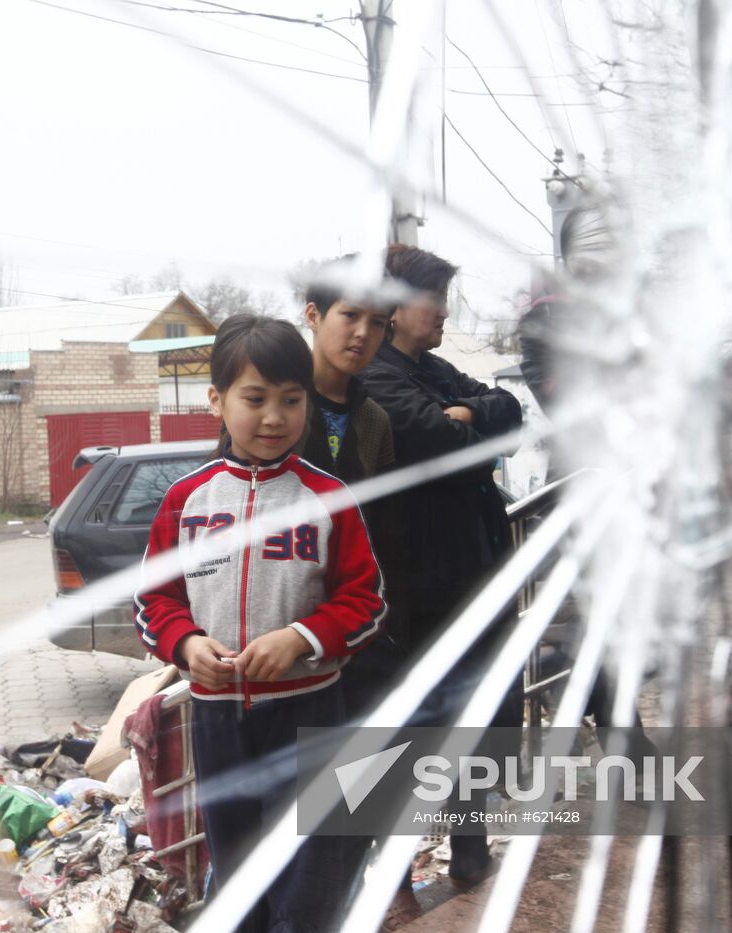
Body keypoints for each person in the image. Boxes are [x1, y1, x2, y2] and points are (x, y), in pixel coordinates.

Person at [134, 313, 385, 932]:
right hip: (218, 722)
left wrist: (299, 638)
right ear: (216, 400)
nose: (274, 417)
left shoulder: (328, 498)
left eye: (291, 400)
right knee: (239, 874)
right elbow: (153, 601)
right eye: (255, 399)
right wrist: (186, 643)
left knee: (307, 879)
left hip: (309, 718)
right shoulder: (187, 501)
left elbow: (367, 599)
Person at [358, 244, 524, 886]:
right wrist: (466, 426)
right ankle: (392, 864)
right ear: (396, 309)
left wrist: (471, 414)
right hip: (416, 583)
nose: (444, 315)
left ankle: (470, 845)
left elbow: (510, 410)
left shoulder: (437, 370)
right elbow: (439, 440)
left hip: (468, 572)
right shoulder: (377, 376)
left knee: (472, 717)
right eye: (434, 302)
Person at [294, 257, 405, 719]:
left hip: (354, 625)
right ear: (314, 315)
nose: (363, 333)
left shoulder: (374, 418)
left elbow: (380, 524)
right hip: (281, 629)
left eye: (377, 323)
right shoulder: (276, 408)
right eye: (350, 315)